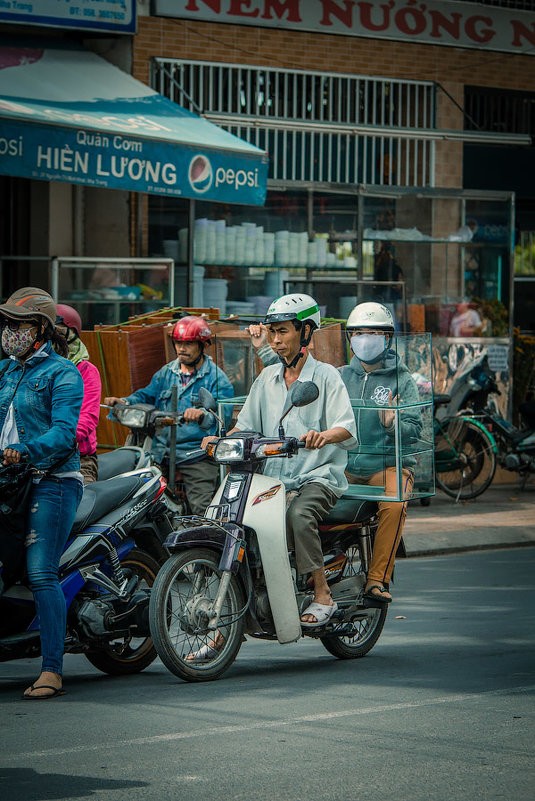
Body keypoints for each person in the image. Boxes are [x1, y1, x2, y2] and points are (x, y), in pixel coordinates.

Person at [206, 294, 357, 627]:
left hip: (317, 476)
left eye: (283, 332)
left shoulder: (327, 377)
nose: (275, 341)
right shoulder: (266, 379)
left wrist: (322, 436)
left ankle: (322, 594)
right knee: (230, 520)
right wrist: (221, 440)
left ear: (305, 333)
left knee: (299, 515)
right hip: (273, 479)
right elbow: (245, 425)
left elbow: (346, 427)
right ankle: (228, 622)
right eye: (272, 332)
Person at [0, 287, 84, 699]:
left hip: (51, 480)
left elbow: (64, 434)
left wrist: (24, 451)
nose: (8, 331)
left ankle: (52, 668)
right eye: (7, 324)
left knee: (40, 572)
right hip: (9, 482)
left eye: (17, 324)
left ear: (40, 330)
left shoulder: (62, 374)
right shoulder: (6, 372)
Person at [105, 316, 233, 516]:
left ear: (203, 345)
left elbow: (222, 419)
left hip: (195, 454)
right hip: (161, 451)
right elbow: (145, 394)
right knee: (139, 501)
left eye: (189, 343)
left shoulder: (217, 379)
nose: (182, 348)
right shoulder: (166, 372)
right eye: (179, 343)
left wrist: (201, 415)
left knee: (202, 508)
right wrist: (124, 402)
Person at [339, 301, 421, 603]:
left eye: (372, 332)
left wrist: (393, 422)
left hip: (386, 467)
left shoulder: (402, 378)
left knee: (395, 504)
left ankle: (377, 579)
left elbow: (416, 429)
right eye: (357, 332)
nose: (364, 338)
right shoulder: (340, 377)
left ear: (387, 338)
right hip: (345, 467)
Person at [56, 304, 101, 484]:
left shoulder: (86, 371)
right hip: (40, 457)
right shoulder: (40, 370)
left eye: (59, 333)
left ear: (72, 335)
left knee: (83, 509)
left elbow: (88, 418)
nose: (53, 340)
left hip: (79, 459)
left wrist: (56, 440)